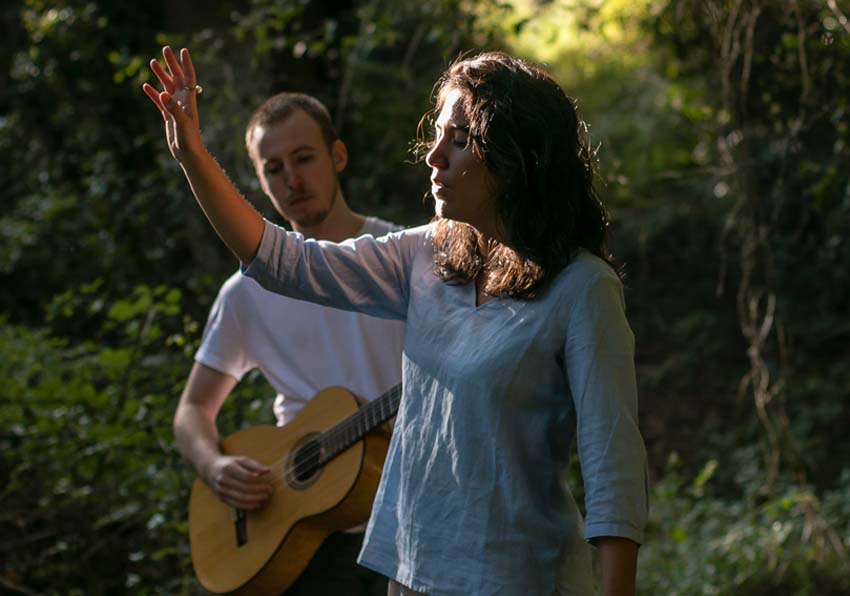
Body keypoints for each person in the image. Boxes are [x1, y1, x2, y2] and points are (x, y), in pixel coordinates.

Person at [145, 45, 649, 596]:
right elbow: (284, 264)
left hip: (517, 576)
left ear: (514, 156)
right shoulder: (426, 255)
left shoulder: (583, 289)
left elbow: (613, 471)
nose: (433, 157)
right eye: (436, 134)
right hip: (407, 571)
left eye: (458, 141)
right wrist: (191, 152)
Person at [144, 67, 405, 595]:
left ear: (338, 156)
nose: (293, 179)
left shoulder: (402, 257)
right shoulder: (246, 293)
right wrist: (215, 465)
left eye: (305, 158)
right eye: (274, 168)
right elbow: (192, 412)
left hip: (408, 515)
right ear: (259, 180)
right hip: (301, 535)